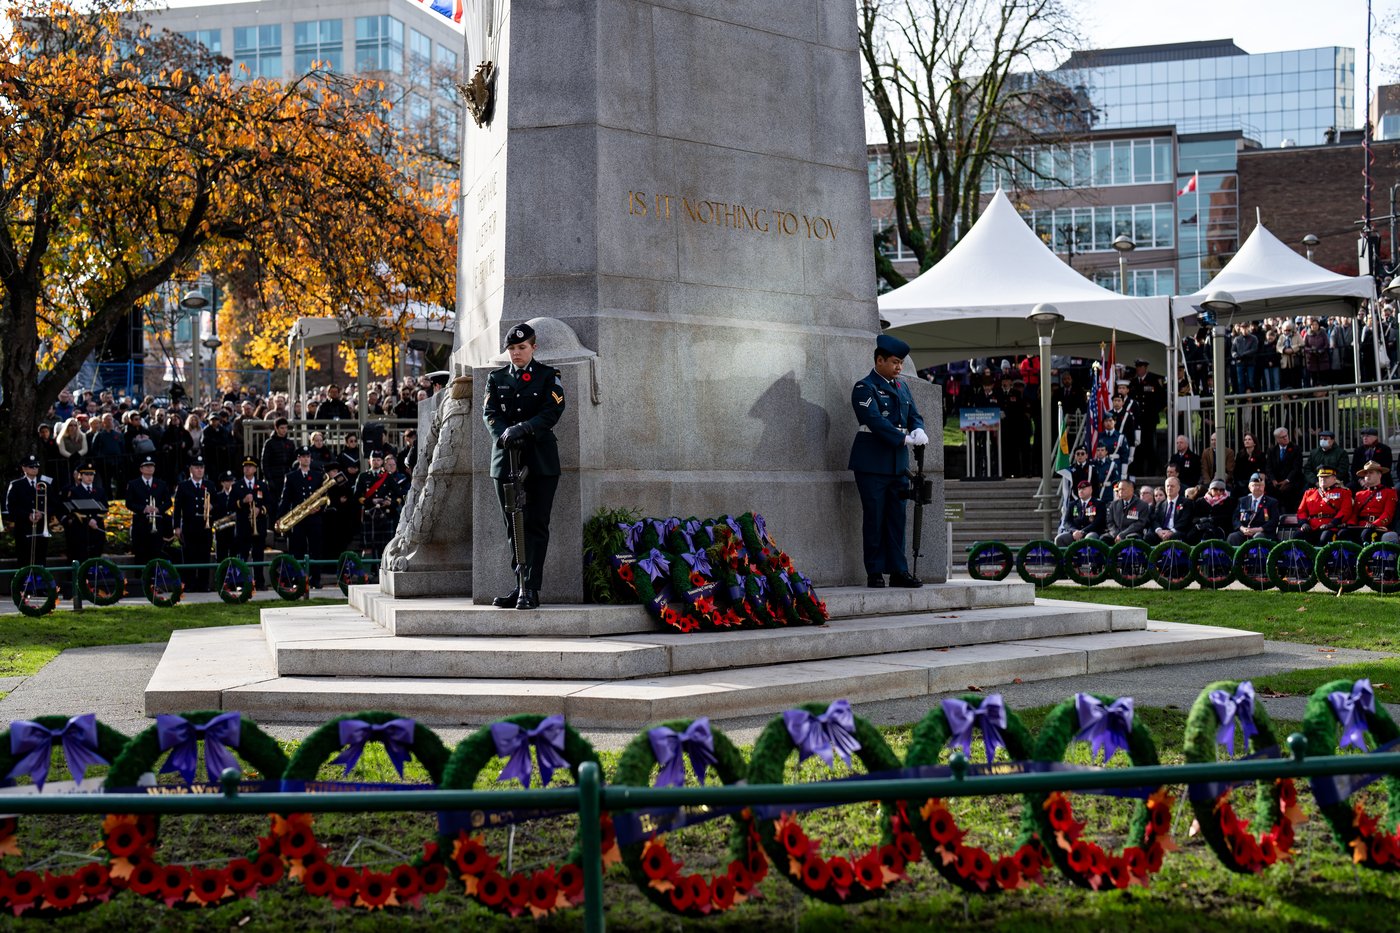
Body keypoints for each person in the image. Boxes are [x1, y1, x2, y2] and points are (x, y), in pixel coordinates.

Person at [483, 323, 569, 608]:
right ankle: (518, 585)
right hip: (506, 459)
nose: (516, 353)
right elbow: (491, 414)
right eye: (512, 349)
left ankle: (531, 589)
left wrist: (523, 429)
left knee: (535, 524)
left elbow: (552, 410)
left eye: (522, 348)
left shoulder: (547, 376)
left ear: (534, 347)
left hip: (540, 460)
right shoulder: (496, 378)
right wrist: (505, 436)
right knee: (513, 526)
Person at [847, 333, 928, 589]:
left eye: (901, 363)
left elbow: (914, 414)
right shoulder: (864, 387)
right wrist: (901, 438)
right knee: (875, 518)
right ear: (879, 360)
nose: (899, 367)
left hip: (897, 465)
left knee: (897, 519)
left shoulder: (902, 387)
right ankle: (875, 571)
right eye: (894, 362)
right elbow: (874, 420)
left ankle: (898, 570)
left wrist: (918, 429)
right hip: (872, 464)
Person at [279, 446, 326, 589]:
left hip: (314, 518)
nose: (306, 459)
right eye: (303, 456)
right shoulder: (291, 476)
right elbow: (285, 499)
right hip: (298, 519)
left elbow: (323, 496)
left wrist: (319, 508)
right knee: (297, 549)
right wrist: (280, 517)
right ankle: (297, 579)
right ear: (298, 459)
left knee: (315, 549)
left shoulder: (318, 475)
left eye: (308, 456)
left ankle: (315, 579)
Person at [125, 454, 172, 574]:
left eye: (151, 466)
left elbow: (168, 502)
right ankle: (140, 582)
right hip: (141, 524)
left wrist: (158, 509)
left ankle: (154, 582)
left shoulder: (161, 483)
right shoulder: (133, 484)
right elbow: (129, 503)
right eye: (146, 466)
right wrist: (144, 509)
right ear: (141, 469)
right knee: (140, 553)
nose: (149, 469)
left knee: (155, 553)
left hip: (156, 524)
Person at [173, 456, 214, 590]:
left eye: (201, 467)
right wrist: (177, 527)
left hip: (205, 527)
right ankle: (189, 584)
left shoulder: (209, 485)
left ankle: (203, 585)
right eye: (196, 467)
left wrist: (213, 507)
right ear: (190, 469)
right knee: (189, 556)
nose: (199, 470)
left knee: (204, 556)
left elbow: (219, 504)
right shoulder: (183, 486)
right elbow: (177, 508)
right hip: (190, 527)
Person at [60, 461, 107, 569]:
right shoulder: (74, 491)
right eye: (86, 474)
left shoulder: (100, 491)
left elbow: (104, 508)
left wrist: (94, 520)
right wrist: (88, 521)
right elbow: (73, 510)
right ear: (80, 475)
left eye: (91, 474)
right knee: (81, 555)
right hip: (81, 528)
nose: (89, 477)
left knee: (95, 555)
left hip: (96, 526)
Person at [6, 455, 50, 567]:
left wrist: (42, 513)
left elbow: (54, 504)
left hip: (41, 526)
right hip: (24, 528)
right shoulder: (16, 485)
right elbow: (11, 507)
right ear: (24, 469)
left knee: (41, 556)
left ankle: (40, 580)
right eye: (31, 467)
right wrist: (27, 515)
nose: (34, 469)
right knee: (24, 557)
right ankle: (26, 581)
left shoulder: (46, 483)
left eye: (36, 466)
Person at [356, 450, 400, 557]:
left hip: (385, 514)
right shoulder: (363, 476)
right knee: (369, 546)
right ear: (369, 461)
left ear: (382, 462)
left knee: (385, 545)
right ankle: (371, 571)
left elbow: (398, 495)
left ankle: (383, 569)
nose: (376, 462)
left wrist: (390, 502)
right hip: (369, 515)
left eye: (378, 460)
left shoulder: (388, 477)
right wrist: (370, 501)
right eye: (373, 460)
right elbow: (357, 496)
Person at [233, 457, 268, 587]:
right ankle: (242, 582)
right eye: (245, 466)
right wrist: (242, 501)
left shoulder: (262, 485)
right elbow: (230, 505)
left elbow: (269, 503)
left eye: (250, 466)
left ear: (255, 469)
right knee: (242, 555)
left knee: (258, 555)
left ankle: (259, 582)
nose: (247, 468)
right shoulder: (236, 486)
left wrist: (260, 509)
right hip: (243, 527)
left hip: (258, 525)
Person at [1296, 467, 1353, 545]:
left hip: (1331, 527)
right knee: (1298, 536)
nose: (1323, 479)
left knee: (1325, 537)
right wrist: (1304, 523)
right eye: (1320, 477)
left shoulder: (1343, 492)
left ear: (1334, 478)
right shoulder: (1309, 493)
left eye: (1326, 477)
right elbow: (1301, 511)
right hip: (1311, 527)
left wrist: (1332, 524)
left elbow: (1345, 510)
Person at [1348, 461, 1399, 544]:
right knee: (1343, 533)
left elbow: (1388, 514)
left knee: (1366, 534)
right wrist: (1350, 524)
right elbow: (1354, 514)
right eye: (1366, 473)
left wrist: (1375, 524)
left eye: (1371, 473)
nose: (1367, 475)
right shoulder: (1359, 494)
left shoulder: (1389, 492)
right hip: (1360, 526)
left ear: (1379, 475)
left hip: (1378, 527)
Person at [1089, 479, 1149, 545]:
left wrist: (1122, 534)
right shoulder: (1113, 504)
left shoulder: (1142, 505)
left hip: (1132, 533)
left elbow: (1139, 523)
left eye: (1123, 489)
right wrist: (1116, 534)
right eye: (1119, 489)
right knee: (1103, 538)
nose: (1120, 492)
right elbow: (1109, 522)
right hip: (1115, 534)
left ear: (1131, 490)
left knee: (1132, 538)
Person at [1227, 472, 1281, 546]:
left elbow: (1274, 520)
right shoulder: (1242, 500)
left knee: (1258, 537)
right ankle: (1237, 558)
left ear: (1264, 487)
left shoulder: (1272, 502)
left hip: (1263, 532)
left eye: (1260, 485)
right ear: (1249, 488)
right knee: (1233, 537)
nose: (1258, 488)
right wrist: (1242, 528)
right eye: (1255, 485)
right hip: (1245, 531)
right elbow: (1235, 518)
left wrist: (1259, 529)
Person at [261, 418, 296, 522]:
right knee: (273, 505)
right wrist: (269, 479)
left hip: (286, 476)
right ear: (276, 428)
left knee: (286, 503)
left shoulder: (290, 443)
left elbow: (293, 462)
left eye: (286, 428)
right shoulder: (269, 443)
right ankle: (273, 528)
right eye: (282, 428)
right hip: (274, 478)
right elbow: (264, 463)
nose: (284, 430)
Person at [1266, 427, 1305, 510]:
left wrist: (1287, 480)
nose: (1285, 438)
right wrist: (1273, 480)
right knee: (1270, 489)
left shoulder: (1296, 449)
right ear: (1277, 439)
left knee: (1288, 490)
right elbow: (1269, 468)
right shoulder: (1272, 450)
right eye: (1282, 437)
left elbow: (1296, 468)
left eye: (1286, 436)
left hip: (1291, 479)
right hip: (1276, 480)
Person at [1055, 480, 1103, 546]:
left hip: (1090, 532)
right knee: (1059, 539)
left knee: (1089, 538)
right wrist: (1075, 531)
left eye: (1083, 489)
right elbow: (1066, 522)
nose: (1081, 491)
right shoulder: (1073, 504)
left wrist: (1082, 532)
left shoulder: (1098, 504)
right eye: (1079, 489)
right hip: (1075, 533)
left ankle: (1088, 556)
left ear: (1090, 490)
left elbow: (1097, 522)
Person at [1150, 476, 1193, 543]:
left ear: (1178, 488)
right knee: (1149, 536)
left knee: (1175, 536)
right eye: (1167, 486)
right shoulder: (1160, 504)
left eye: (1172, 486)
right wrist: (1159, 531)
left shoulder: (1186, 502)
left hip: (1177, 531)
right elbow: (1155, 520)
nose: (1169, 488)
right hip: (1162, 532)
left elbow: (1185, 520)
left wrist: (1171, 531)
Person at [211, 471, 240, 565]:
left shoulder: (238, 496)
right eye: (227, 481)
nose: (230, 483)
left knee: (234, 558)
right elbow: (214, 513)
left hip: (234, 532)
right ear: (222, 483)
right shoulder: (217, 496)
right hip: (221, 532)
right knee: (221, 558)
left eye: (232, 481)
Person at [1234, 432, 1267, 498]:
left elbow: (1262, 471)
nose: (1247, 441)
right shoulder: (1240, 455)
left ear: (1254, 443)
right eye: (1245, 440)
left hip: (1255, 482)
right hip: (1242, 483)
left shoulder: (1261, 455)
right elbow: (1236, 471)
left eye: (1249, 439)